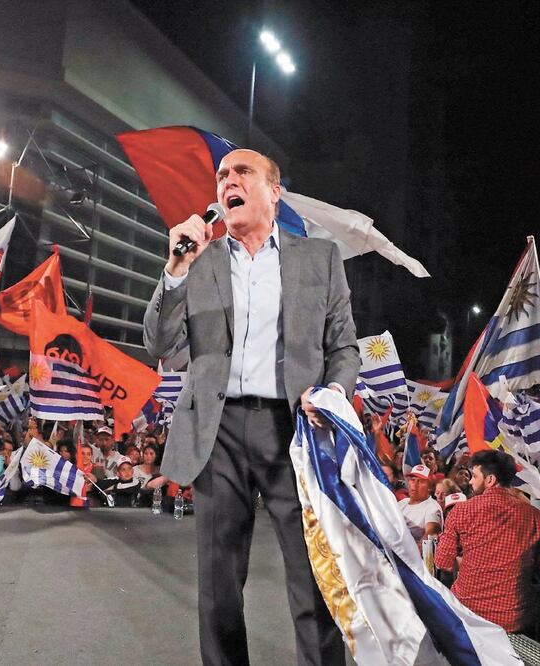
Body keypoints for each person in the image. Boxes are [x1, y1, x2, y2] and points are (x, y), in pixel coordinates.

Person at [143, 147, 359, 666]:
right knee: (218, 584)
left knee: (313, 577)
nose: (228, 181)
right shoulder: (198, 260)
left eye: (242, 172)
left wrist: (333, 393)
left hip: (295, 431)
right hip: (217, 432)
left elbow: (344, 348)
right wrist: (176, 269)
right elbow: (159, 343)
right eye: (222, 176)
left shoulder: (319, 258)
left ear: (274, 191)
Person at [435, 449, 540, 637]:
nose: (470, 481)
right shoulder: (538, 518)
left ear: (490, 480)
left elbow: (442, 562)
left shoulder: (461, 511)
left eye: (474, 476)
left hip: (466, 613)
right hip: (513, 620)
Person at [397, 464, 442, 545]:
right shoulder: (402, 503)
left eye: (421, 481)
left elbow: (430, 535)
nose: (415, 484)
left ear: (429, 487)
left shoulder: (432, 507)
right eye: (413, 480)